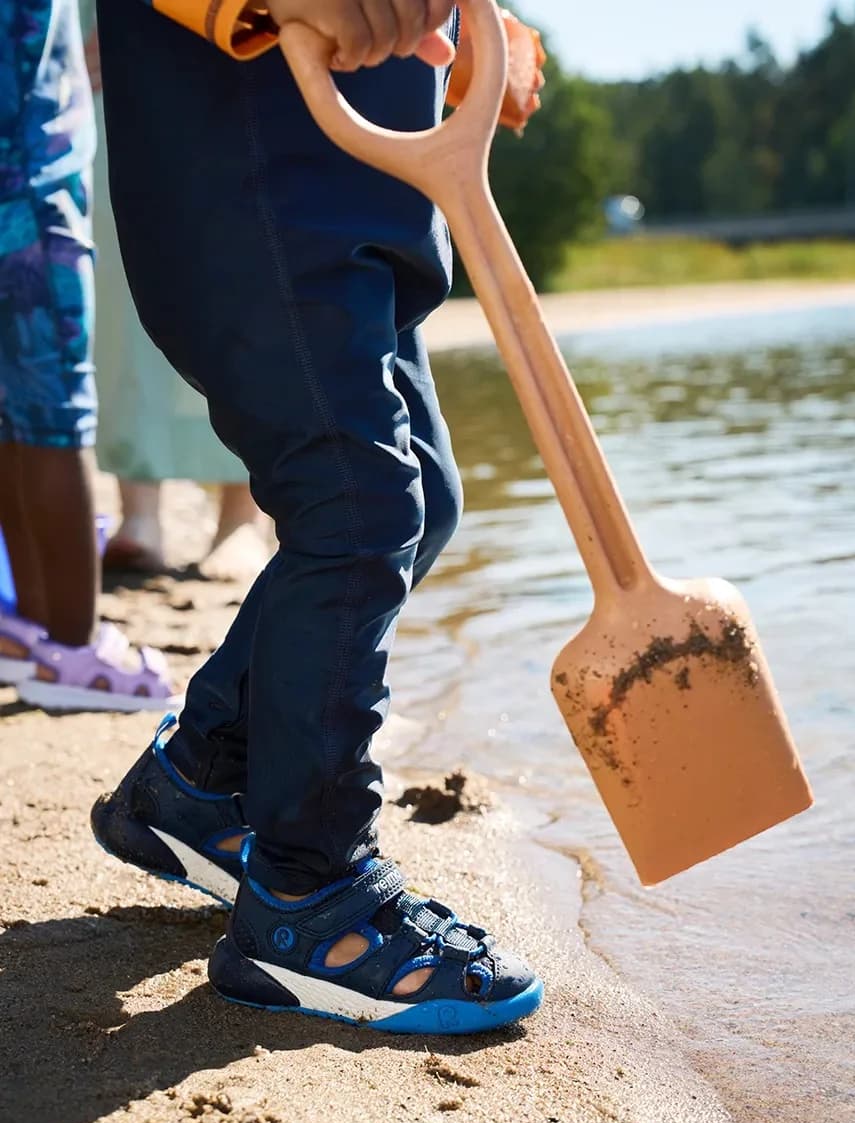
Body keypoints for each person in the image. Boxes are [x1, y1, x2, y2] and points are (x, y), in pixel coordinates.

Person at [91, 0, 545, 1034]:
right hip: (250, 169)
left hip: (371, 194)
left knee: (416, 498)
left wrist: (484, 26)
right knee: (354, 504)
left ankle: (204, 778)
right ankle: (307, 894)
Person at [0, 0, 178, 712]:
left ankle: (38, 631)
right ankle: (75, 644)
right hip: (34, 178)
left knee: (12, 412)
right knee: (54, 411)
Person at [76, 0, 269, 581]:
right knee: (121, 284)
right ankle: (140, 512)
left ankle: (242, 519)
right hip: (112, 41)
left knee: (243, 279)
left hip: (245, 45)